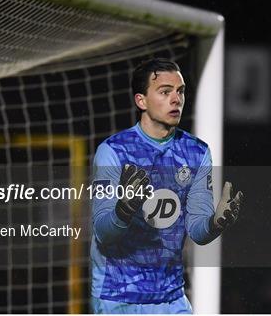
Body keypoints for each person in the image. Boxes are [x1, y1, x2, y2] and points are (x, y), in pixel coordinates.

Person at [90, 58, 243, 314]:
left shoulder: (196, 152)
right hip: (118, 298)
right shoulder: (113, 151)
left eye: (180, 91)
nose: (176, 99)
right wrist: (123, 210)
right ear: (141, 101)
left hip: (171, 301)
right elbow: (103, 231)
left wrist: (215, 224)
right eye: (165, 91)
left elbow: (197, 230)